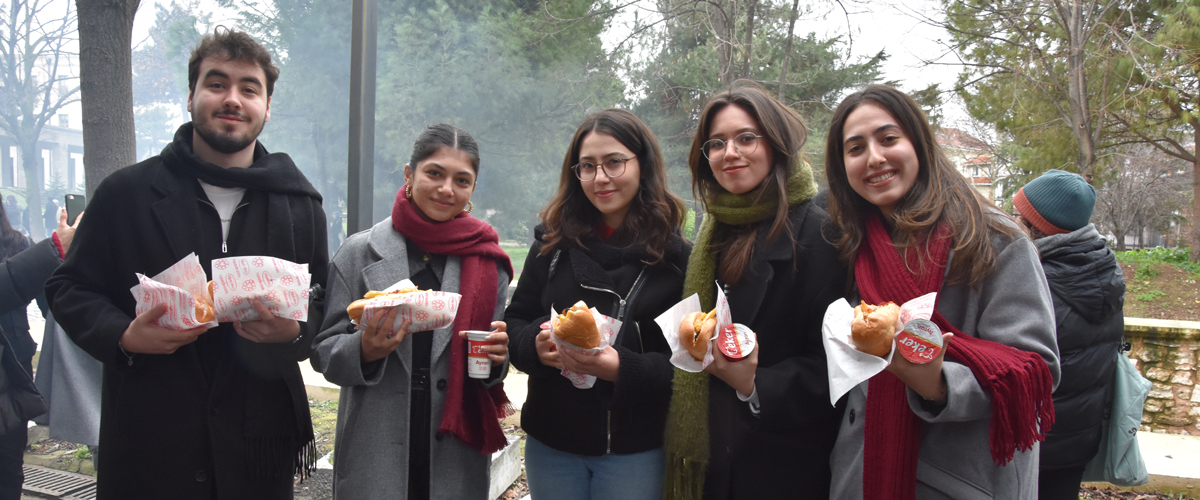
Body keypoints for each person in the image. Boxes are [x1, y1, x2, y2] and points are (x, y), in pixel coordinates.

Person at [45, 28, 328, 500]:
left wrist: (294, 331)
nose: (232, 98)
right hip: (151, 442)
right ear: (191, 96)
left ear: (266, 107)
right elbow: (68, 287)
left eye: (249, 88)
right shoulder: (125, 194)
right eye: (216, 84)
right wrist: (123, 335)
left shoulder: (300, 205)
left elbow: (321, 303)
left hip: (257, 448)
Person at [823, 84, 1060, 500]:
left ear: (919, 144)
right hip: (864, 470)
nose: (874, 158)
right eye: (855, 148)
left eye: (888, 139)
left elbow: (1036, 367)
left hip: (960, 479)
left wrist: (937, 383)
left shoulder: (994, 240)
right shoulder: (854, 245)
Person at [663, 80, 847, 500]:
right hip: (713, 459)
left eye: (746, 138)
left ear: (777, 144)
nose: (729, 152)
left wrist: (755, 383)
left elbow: (838, 364)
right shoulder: (711, 231)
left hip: (781, 465)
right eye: (716, 143)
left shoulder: (821, 234)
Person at [311, 124, 513, 500]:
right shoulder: (358, 253)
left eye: (461, 180)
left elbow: (488, 361)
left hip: (454, 452)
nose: (446, 189)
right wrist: (364, 349)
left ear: (472, 189)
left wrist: (497, 360)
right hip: (375, 445)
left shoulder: (488, 263)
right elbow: (324, 352)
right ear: (409, 174)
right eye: (434, 173)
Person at [504, 109, 690, 500]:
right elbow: (517, 319)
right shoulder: (551, 245)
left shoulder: (676, 258)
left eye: (614, 162)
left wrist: (623, 368)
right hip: (552, 442)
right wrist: (534, 346)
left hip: (635, 449)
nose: (600, 178)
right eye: (587, 166)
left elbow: (688, 361)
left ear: (643, 165)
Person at [1010, 169, 1125, 499]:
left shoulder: (1038, 281)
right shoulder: (1103, 269)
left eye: (1017, 215)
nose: (1011, 221)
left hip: (1035, 440)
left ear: (1036, 225)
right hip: (1078, 440)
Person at [0, 206, 78, 500]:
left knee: (9, 466)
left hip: (12, 377)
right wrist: (53, 250)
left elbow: (52, 303)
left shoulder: (18, 243)